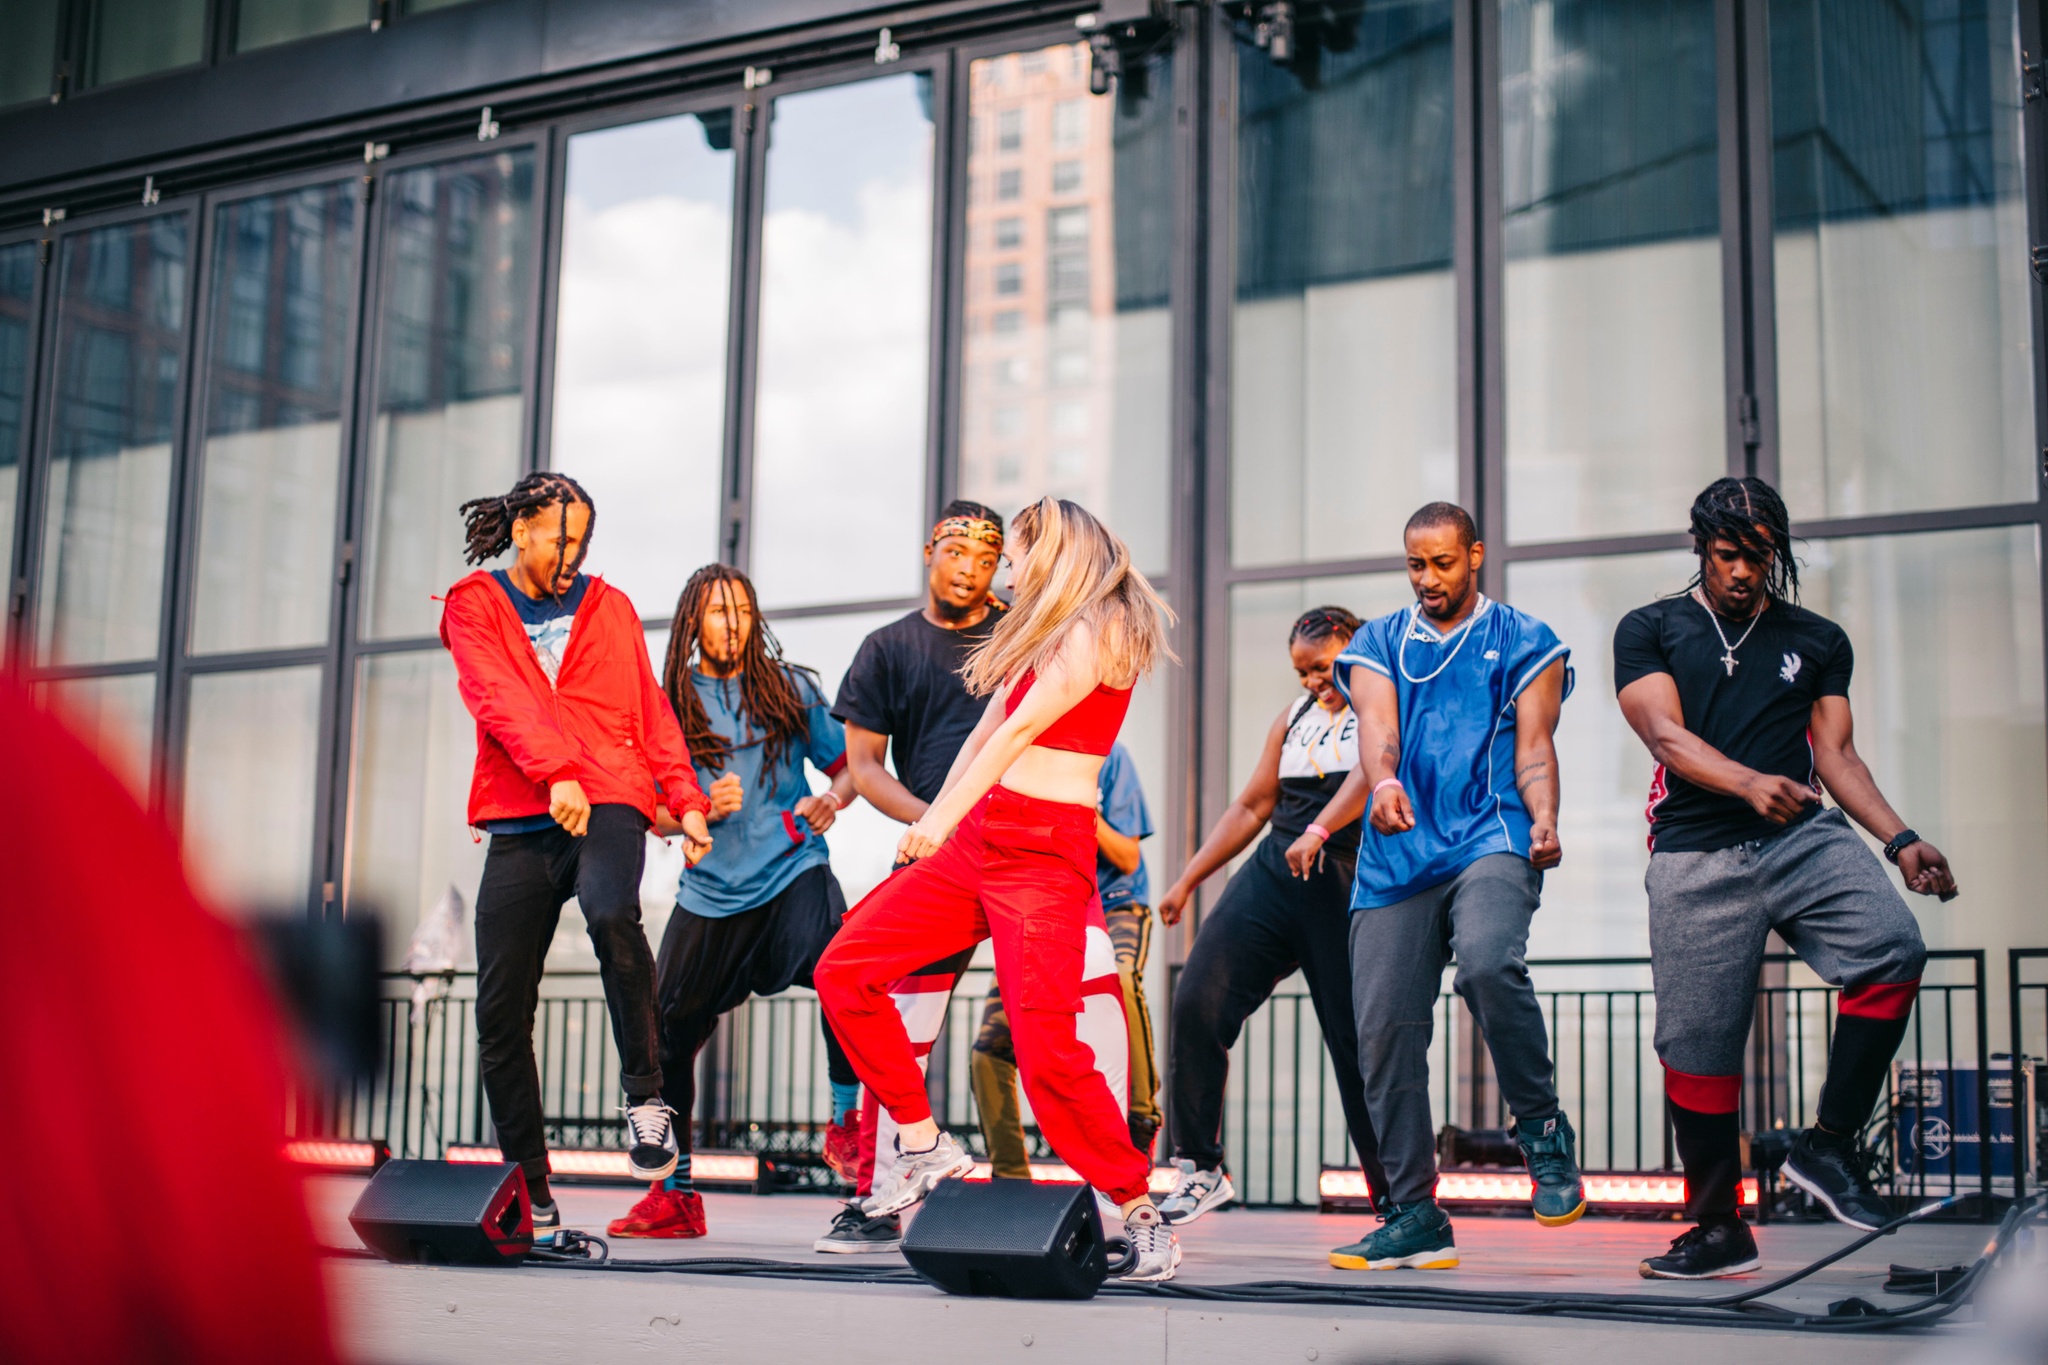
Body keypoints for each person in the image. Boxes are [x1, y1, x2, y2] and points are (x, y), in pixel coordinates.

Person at [815, 497, 1183, 1282]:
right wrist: (943, 829)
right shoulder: (1036, 632)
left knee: (1049, 1049)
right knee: (844, 970)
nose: (1007, 569)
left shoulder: (1103, 628)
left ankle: (1140, 1212)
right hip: (979, 836)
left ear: (1055, 549)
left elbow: (1019, 733)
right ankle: (921, 1142)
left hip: (1044, 855)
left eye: (1015, 553)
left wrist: (935, 822)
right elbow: (986, 733)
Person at [1615, 477, 1954, 1280]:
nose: (1742, 571)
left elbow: (1836, 756)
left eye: (1759, 557)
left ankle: (1828, 1150)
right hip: (1695, 854)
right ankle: (1718, 1227)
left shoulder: (1819, 636)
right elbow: (1664, 733)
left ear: (1778, 555)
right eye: (1729, 554)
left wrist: (1900, 838)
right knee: (1696, 1048)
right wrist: (1743, 782)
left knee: (1892, 948)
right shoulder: (1651, 626)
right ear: (1702, 547)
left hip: (1801, 836)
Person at [1302, 502, 1586, 1272]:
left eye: (1442, 563)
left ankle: (1541, 1129)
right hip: (1397, 858)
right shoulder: (1379, 641)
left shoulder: (1525, 640)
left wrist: (1546, 817)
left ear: (1475, 556)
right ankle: (1415, 1212)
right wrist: (1385, 778)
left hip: (1492, 836)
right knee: (1384, 1032)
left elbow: (1534, 747)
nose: (1428, 579)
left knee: (1489, 962)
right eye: (1415, 565)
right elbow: (1378, 729)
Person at [440, 472, 713, 1245]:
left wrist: (685, 797)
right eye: (561, 535)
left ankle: (645, 1096)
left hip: (610, 793)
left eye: (583, 538)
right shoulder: (476, 604)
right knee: (499, 1005)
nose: (574, 551)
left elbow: (648, 709)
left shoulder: (611, 606)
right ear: (522, 528)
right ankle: (529, 1184)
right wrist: (553, 769)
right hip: (525, 807)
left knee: (611, 911)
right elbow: (495, 692)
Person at [606, 565, 861, 1239]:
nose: (732, 623)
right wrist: (686, 809)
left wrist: (829, 799)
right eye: (718, 612)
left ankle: (846, 1122)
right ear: (694, 620)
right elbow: (647, 806)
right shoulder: (670, 701)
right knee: (662, 1033)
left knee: (846, 970)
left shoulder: (791, 686)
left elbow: (847, 767)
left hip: (792, 868)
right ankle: (678, 1197)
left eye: (742, 610)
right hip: (713, 891)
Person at [811, 500, 1010, 1253]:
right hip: (938, 855)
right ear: (931, 550)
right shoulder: (887, 646)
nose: (969, 568)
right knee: (893, 1020)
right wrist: (938, 818)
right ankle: (878, 1194)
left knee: (1074, 1020)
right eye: (957, 552)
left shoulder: (1021, 631)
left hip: (1027, 850)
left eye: (987, 557)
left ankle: (1127, 1208)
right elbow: (862, 768)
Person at [1153, 606, 1391, 1226]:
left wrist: (1320, 828)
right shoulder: (1295, 718)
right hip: (1274, 872)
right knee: (1197, 1001)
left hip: (1343, 876)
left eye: (1323, 667)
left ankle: (1396, 1198)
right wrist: (1188, 879)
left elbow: (1373, 776)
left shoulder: (1380, 706)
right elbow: (1254, 803)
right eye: (1301, 671)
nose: (1313, 680)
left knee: (1353, 1042)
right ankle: (1199, 1167)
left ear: (1355, 650)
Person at [971, 740, 1157, 1175]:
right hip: (1047, 909)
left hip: (1114, 902)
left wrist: (1071, 804)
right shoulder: (1014, 752)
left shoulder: (1109, 754)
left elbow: (1128, 857)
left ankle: (1140, 1119)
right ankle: (1010, 1177)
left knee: (1122, 981)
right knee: (989, 1047)